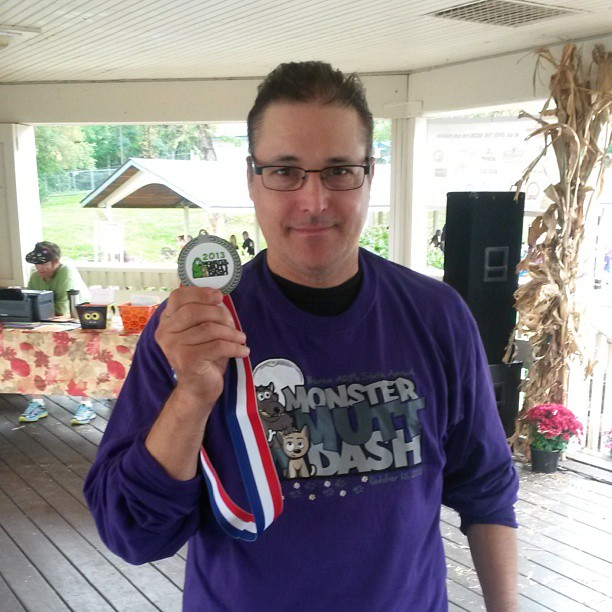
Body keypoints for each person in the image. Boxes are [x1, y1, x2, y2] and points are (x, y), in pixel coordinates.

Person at [84, 62, 519, 611]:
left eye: (339, 170)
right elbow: (133, 533)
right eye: (285, 171)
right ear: (252, 179)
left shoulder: (437, 316)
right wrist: (192, 396)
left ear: (369, 175)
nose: (314, 201)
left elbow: (487, 492)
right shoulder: (194, 330)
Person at [20, 241, 95, 425]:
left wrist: (40, 308)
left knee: (82, 357)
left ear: (56, 262)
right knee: (31, 353)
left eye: (44, 263)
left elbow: (64, 308)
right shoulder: (35, 276)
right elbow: (29, 302)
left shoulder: (66, 272)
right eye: (37, 264)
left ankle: (87, 404)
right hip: (47, 325)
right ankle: (37, 402)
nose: (40, 268)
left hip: (79, 321)